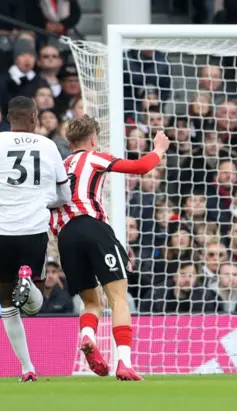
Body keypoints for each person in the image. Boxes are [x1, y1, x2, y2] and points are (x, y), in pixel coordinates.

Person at [50, 115, 170, 381]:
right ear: (93, 139)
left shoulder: (59, 167)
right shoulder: (94, 157)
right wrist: (159, 149)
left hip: (66, 236)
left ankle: (88, 335)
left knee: (91, 302)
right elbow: (140, 167)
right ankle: (124, 362)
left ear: (69, 142)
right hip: (93, 227)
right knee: (118, 297)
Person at [0, 96, 71, 382]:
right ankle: (26, 276)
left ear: (9, 117)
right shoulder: (48, 146)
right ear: (34, 117)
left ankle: (27, 367)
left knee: (7, 303)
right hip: (33, 233)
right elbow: (65, 196)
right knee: (34, 306)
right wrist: (44, 198)